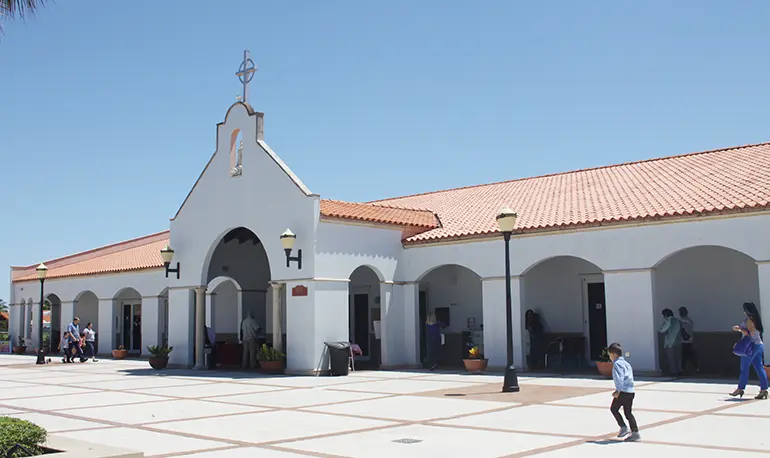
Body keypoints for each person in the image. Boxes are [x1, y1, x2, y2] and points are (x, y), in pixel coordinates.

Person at [730, 301, 768, 400]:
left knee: (744, 368)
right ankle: (764, 389)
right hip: (758, 344)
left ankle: (740, 388)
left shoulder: (749, 320)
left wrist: (739, 329)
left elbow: (749, 333)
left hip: (751, 346)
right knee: (759, 367)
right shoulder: (755, 319)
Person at [608, 342, 640, 442]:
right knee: (628, 413)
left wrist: (618, 390)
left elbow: (619, 378)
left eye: (609, 355)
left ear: (613, 354)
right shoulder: (627, 364)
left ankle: (623, 427)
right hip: (631, 391)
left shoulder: (617, 364)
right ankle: (635, 432)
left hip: (623, 391)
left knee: (614, 408)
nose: (609, 357)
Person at [658, 309, 681, 376]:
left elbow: (662, 330)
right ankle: (679, 371)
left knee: (671, 358)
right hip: (678, 341)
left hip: (669, 342)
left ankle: (673, 372)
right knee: (678, 358)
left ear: (665, 315)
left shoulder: (668, 321)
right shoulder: (677, 321)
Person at [678, 306, 698, 373]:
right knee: (690, 355)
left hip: (685, 340)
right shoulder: (690, 320)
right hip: (690, 340)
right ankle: (695, 367)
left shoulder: (681, 321)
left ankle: (683, 369)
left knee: (685, 355)